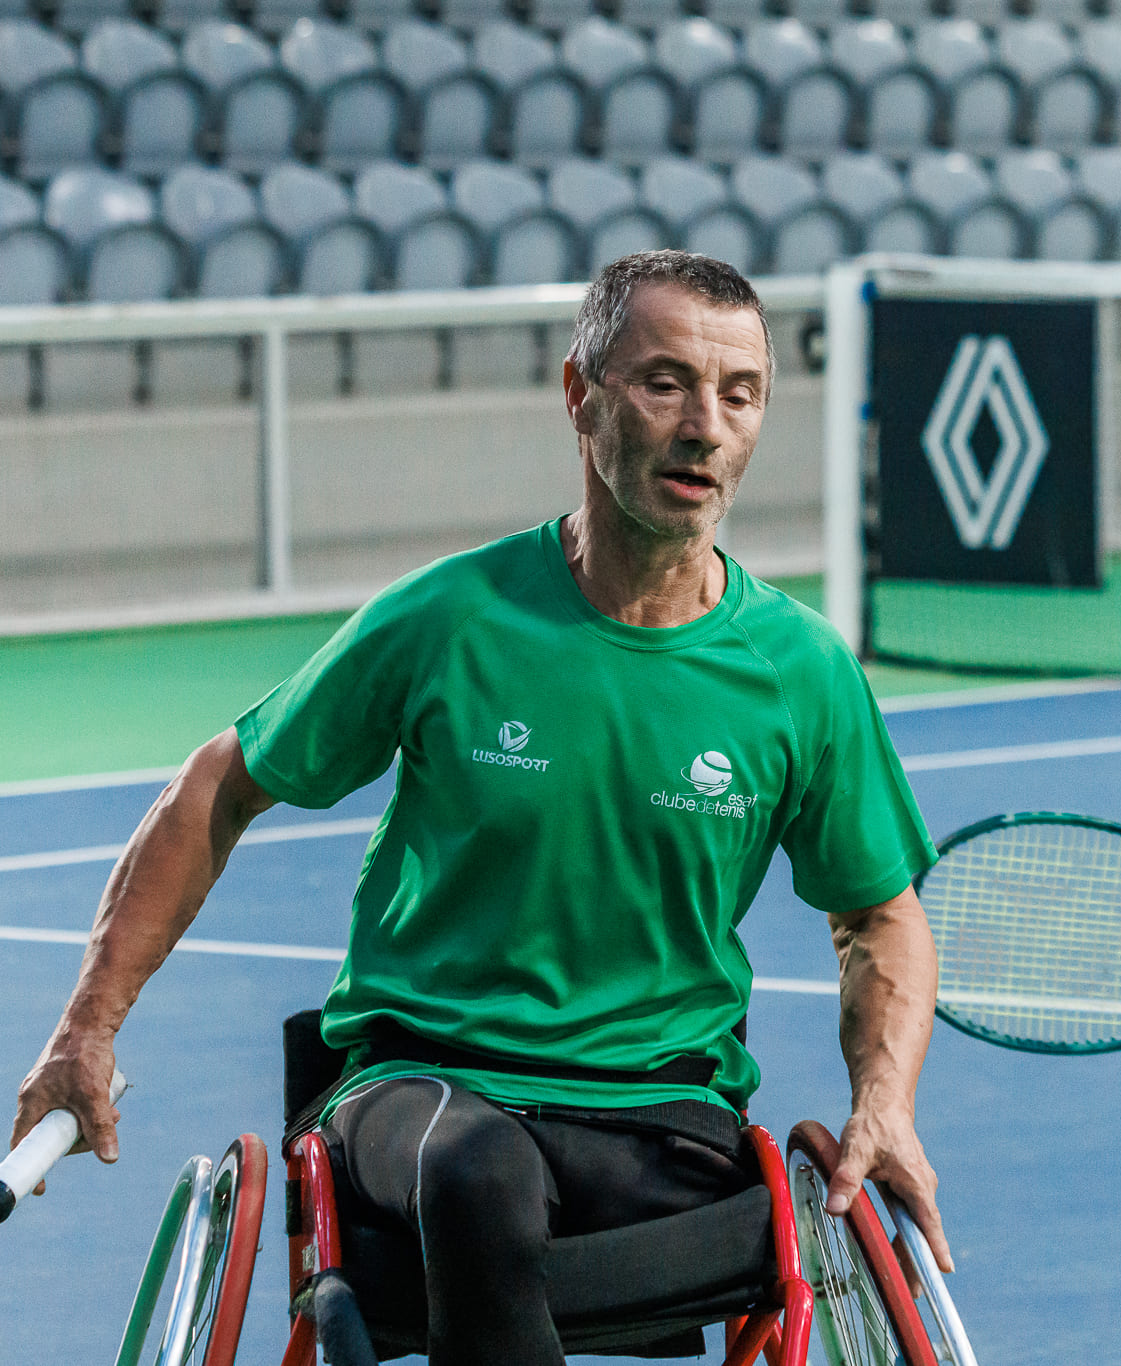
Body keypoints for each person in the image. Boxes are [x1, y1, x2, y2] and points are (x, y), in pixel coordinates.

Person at [12, 251, 951, 1366]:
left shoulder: (800, 670)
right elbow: (220, 784)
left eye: (737, 394)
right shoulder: (450, 618)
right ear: (579, 396)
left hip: (658, 1108)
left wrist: (883, 1103)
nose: (704, 425)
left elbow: (878, 916)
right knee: (478, 1170)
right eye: (663, 384)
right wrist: (87, 1027)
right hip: (420, 1085)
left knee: (517, 1193)